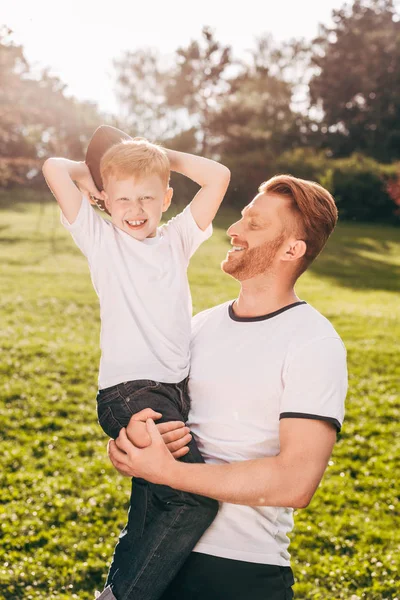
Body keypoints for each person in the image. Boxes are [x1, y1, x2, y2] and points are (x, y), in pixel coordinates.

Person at [108, 174, 348, 600]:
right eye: (241, 218)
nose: (233, 230)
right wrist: (132, 443)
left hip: (237, 573)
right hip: (146, 554)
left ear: (293, 250)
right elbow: (161, 418)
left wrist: (169, 472)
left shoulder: (314, 342)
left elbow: (296, 482)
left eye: (254, 225)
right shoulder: (198, 327)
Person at [41, 127, 231, 600]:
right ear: (105, 200)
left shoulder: (177, 240)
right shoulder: (101, 240)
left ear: (167, 198)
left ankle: (115, 589)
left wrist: (156, 156)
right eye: (123, 198)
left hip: (171, 394)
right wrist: (96, 177)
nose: (136, 209)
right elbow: (52, 168)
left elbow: (218, 176)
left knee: (150, 506)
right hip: (132, 394)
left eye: (148, 196)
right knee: (194, 499)